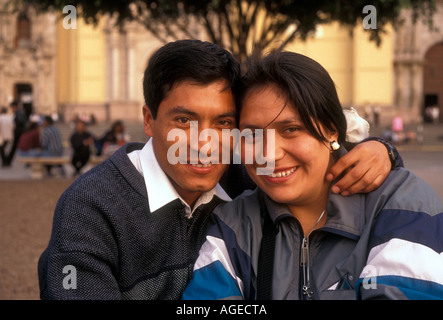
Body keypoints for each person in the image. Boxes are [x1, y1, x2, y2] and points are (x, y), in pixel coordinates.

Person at [38, 40, 399, 300]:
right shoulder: (90, 209)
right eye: (184, 119)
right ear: (149, 120)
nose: (204, 143)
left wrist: (382, 150)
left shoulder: (248, 176)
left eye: (224, 123)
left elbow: (314, 149)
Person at [182, 51, 443, 300]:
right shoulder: (233, 224)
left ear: (331, 130)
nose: (269, 155)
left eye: (291, 129)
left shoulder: (400, 203)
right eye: (252, 134)